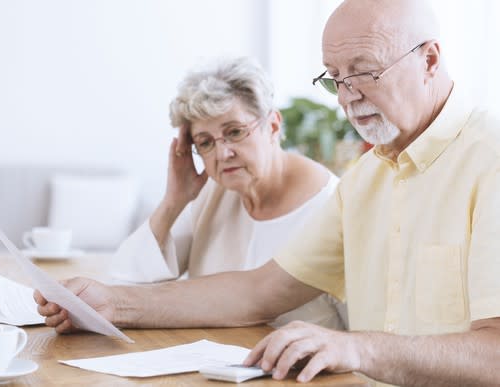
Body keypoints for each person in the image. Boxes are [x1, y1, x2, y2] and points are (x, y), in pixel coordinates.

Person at [36, 0, 500, 385]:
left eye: (363, 72)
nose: (345, 96)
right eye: (334, 76)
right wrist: (109, 303)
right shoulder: (365, 180)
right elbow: (259, 291)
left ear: (430, 59)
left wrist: (358, 347)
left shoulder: (490, 161)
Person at [107, 56, 345, 329]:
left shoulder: (332, 203)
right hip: (209, 365)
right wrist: (174, 201)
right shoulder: (214, 193)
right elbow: (123, 285)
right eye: (205, 142)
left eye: (234, 132)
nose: (222, 153)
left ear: (273, 126)